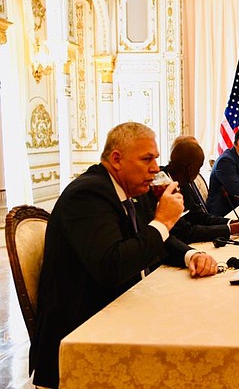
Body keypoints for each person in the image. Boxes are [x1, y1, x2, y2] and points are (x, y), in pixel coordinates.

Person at [30, 122, 218, 388]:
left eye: (155, 158)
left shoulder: (131, 191)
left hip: (122, 309)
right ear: (116, 159)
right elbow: (113, 266)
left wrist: (191, 255)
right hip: (83, 332)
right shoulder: (88, 194)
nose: (156, 167)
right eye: (147, 159)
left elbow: (155, 240)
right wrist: (163, 221)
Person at [164, 139, 239, 243]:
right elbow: (185, 232)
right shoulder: (162, 186)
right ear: (190, 169)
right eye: (199, 168)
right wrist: (235, 228)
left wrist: (235, 222)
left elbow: (199, 217)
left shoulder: (182, 182)